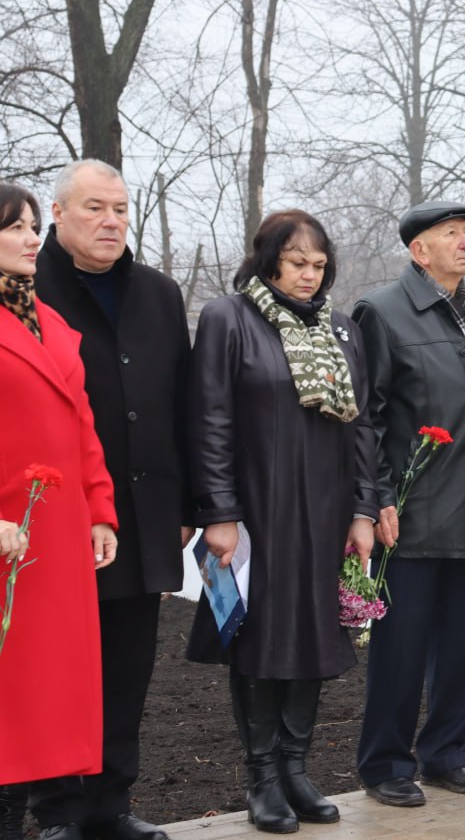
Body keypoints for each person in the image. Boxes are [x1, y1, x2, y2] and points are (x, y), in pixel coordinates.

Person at [186, 210, 378, 833]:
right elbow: (210, 419)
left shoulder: (341, 329)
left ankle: (296, 769)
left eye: (319, 265)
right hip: (257, 514)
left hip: (326, 512)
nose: (308, 275)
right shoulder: (229, 318)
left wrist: (363, 509)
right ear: (268, 260)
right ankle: (262, 778)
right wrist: (219, 512)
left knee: (314, 639)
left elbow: (362, 426)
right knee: (260, 639)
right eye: (297, 262)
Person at [30, 160, 191, 840]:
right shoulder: (26, 289)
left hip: (144, 516)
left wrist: (189, 505)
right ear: (58, 214)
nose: (111, 221)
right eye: (94, 208)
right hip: (56, 516)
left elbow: (184, 403)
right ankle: (57, 810)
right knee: (58, 671)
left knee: (128, 669)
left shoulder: (158, 293)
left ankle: (110, 804)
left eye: (120, 209)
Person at [355, 202, 465, 806]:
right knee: (400, 647)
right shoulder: (381, 312)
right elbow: (367, 419)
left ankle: (448, 754)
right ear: (419, 250)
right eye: (451, 234)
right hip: (410, 515)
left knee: (462, 647)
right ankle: (385, 764)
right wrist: (378, 497)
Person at [0, 184, 118, 831]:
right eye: (14, 227)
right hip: (5, 534)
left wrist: (99, 510)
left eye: (31, 226)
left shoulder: (48, 322)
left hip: (56, 533)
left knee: (46, 688)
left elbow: (82, 427)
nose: (30, 238)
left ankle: (50, 815)